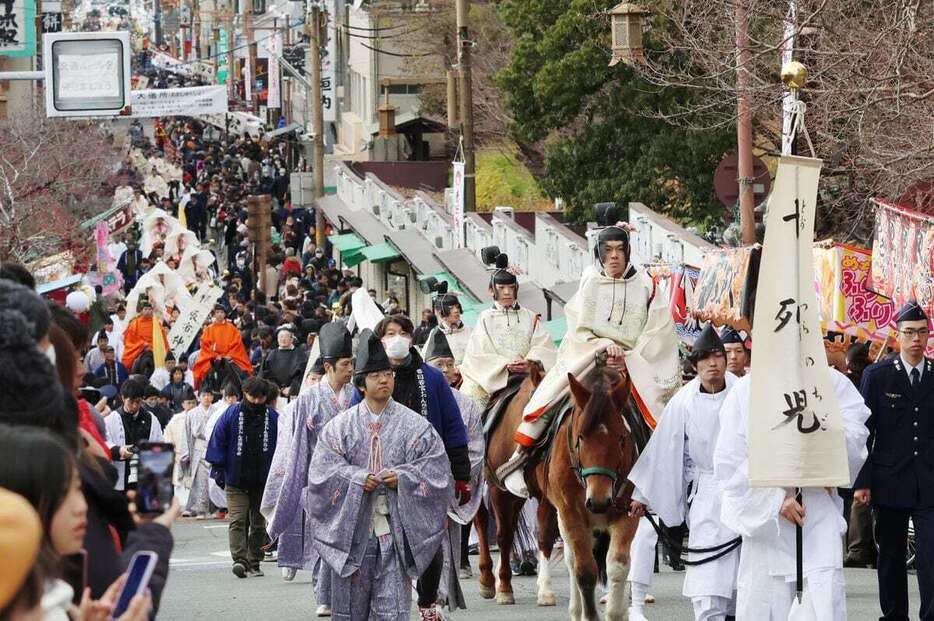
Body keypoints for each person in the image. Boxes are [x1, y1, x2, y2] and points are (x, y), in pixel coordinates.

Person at [504, 225, 680, 497]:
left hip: (633, 364)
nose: (614, 256)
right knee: (553, 396)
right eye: (608, 250)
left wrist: (630, 357)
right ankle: (520, 457)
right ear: (599, 253)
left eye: (620, 250)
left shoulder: (647, 284)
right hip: (589, 358)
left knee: (661, 415)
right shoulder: (590, 281)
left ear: (628, 251)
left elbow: (658, 330)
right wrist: (601, 346)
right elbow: (577, 327)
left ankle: (664, 479)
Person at [305, 330, 453, 621]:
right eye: (376, 376)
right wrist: (356, 478)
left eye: (388, 374)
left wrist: (404, 477)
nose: (385, 380)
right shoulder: (339, 428)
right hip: (352, 533)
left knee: (392, 608)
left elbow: (436, 469)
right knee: (351, 611)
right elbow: (322, 472)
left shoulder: (416, 426)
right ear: (361, 384)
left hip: (394, 532)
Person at [713, 363, 870, 619]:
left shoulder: (831, 381)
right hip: (767, 521)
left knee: (822, 595)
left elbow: (856, 436)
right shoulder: (745, 390)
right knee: (766, 600)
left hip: (817, 509)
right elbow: (729, 462)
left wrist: (823, 450)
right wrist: (775, 499)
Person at [363, 314, 472, 619]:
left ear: (413, 339)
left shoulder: (433, 378)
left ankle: (427, 601)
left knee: (430, 541)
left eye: (403, 333)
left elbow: (452, 426)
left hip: (426, 474)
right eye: (390, 333)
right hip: (382, 475)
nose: (397, 338)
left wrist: (461, 474)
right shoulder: (369, 379)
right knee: (382, 543)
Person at [628, 325, 740, 621]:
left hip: (744, 492)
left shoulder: (744, 393)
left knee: (745, 576)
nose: (712, 364)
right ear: (695, 365)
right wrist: (643, 494)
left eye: (718, 357)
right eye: (704, 359)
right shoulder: (683, 401)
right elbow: (663, 448)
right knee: (708, 575)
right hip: (705, 492)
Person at [0, 425, 153, 621]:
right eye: (64, 493)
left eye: (79, 488)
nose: (81, 507)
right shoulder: (31, 601)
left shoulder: (54, 593)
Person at [854, 302, 934, 619]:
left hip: (929, 481)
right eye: (909, 333)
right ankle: (894, 615)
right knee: (890, 555)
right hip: (889, 480)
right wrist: (862, 481)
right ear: (897, 335)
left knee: (931, 555)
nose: (916, 339)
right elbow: (863, 432)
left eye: (922, 332)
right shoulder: (877, 376)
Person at [264, 323, 354, 603]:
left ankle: (346, 594)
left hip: (353, 478)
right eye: (345, 364)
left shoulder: (356, 396)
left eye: (352, 363)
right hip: (319, 480)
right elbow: (298, 445)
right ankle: (323, 595)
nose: (351, 369)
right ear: (328, 366)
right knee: (322, 539)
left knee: (351, 539)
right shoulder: (307, 400)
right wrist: (298, 480)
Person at [423, 330, 485, 584]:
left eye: (450, 364)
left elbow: (474, 443)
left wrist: (457, 472)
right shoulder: (420, 398)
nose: (446, 370)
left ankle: (461, 559)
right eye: (439, 365)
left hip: (456, 470)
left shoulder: (467, 403)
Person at [459, 252, 557, 410]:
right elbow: (477, 354)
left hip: (528, 373)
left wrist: (529, 361)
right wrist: (505, 365)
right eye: (502, 287)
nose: (507, 292)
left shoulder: (530, 316)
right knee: (468, 402)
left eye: (511, 288)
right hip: (494, 376)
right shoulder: (485, 318)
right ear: (491, 290)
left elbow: (545, 346)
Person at [206, 377, 279, 578]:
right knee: (237, 520)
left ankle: (254, 561)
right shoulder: (231, 414)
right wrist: (219, 470)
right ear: (244, 394)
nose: (255, 401)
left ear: (266, 397)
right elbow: (218, 440)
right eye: (252, 396)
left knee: (258, 523)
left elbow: (283, 447)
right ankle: (239, 560)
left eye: (260, 397)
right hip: (235, 478)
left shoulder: (273, 418)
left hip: (262, 480)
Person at [105, 379, 165, 491]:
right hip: (122, 473)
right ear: (122, 398)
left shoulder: (151, 419)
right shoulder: (111, 419)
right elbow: (105, 442)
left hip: (144, 472)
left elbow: (159, 442)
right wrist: (120, 450)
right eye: (130, 402)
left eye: (138, 402)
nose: (134, 406)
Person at [193, 305, 252, 389]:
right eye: (217, 312)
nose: (219, 314)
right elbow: (205, 345)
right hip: (212, 357)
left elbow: (237, 344)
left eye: (221, 312)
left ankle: (244, 390)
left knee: (242, 372)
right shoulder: (208, 329)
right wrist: (215, 355)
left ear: (225, 314)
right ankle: (202, 390)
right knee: (200, 370)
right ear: (214, 314)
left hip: (230, 356)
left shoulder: (232, 328)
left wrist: (229, 355)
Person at [184, 388, 218, 519]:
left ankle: (212, 508)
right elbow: (187, 435)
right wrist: (187, 452)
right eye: (204, 395)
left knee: (211, 480)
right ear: (199, 397)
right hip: (198, 449)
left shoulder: (216, 412)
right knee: (199, 480)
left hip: (213, 447)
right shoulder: (192, 413)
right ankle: (199, 509)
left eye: (209, 395)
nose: (207, 398)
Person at [120, 297, 168, 371]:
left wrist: (153, 346)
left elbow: (163, 339)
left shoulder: (157, 324)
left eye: (149, 309)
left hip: (155, 350)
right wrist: (142, 344)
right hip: (139, 350)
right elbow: (129, 341)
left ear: (152, 311)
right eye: (145, 309)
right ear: (141, 311)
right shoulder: (134, 324)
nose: (148, 311)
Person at [260, 325, 307, 398]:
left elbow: (302, 374)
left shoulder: (300, 354)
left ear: (292, 339)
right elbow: (265, 373)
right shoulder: (271, 353)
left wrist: (292, 388)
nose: (283, 339)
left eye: (286, 337)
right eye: (281, 337)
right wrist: (274, 388)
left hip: (293, 392)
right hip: (273, 392)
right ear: (278, 339)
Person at [425, 293, 471, 365]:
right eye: (451, 308)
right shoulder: (436, 332)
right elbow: (428, 360)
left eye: (457, 307)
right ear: (441, 312)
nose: (456, 311)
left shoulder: (469, 331)